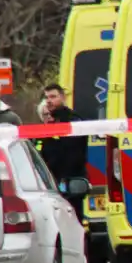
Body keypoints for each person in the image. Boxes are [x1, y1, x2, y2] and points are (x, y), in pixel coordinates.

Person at [35, 84, 89, 220]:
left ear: (63, 97)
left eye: (53, 97)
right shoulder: (49, 123)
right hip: (51, 183)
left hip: (70, 183)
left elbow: (72, 155)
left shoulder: (73, 120)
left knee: (73, 220)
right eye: (46, 97)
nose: (49, 101)